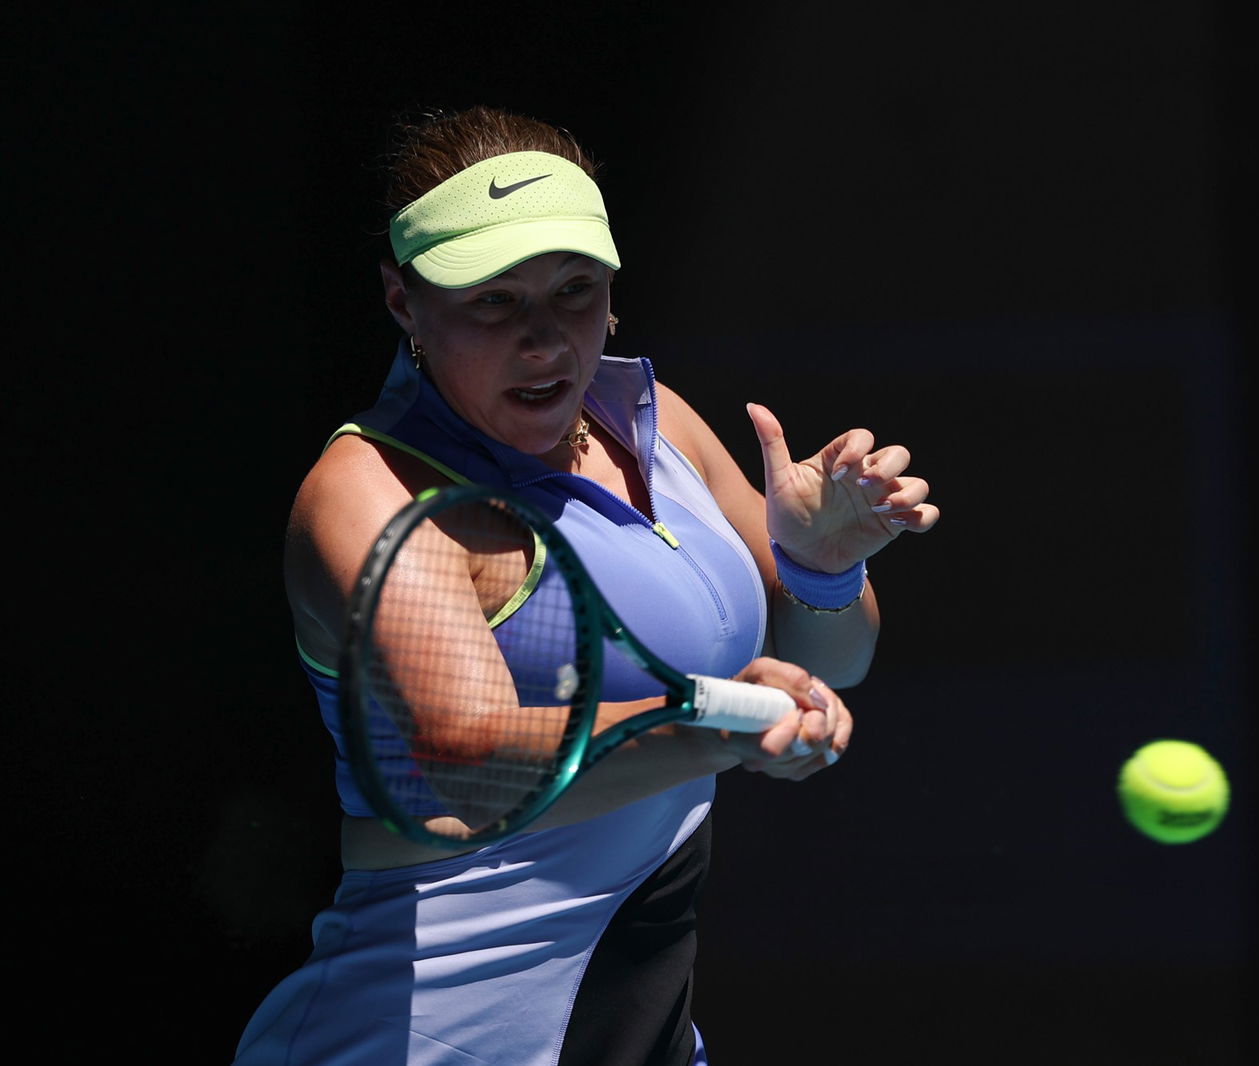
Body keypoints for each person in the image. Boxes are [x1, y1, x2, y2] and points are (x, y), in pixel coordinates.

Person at [232, 104, 939, 1065]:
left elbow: (835, 660)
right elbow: (470, 765)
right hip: (428, 1037)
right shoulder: (372, 491)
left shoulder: (653, 421)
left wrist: (820, 564)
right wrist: (712, 718)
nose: (545, 338)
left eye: (574, 290)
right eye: (493, 299)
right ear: (404, 303)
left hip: (633, 1026)